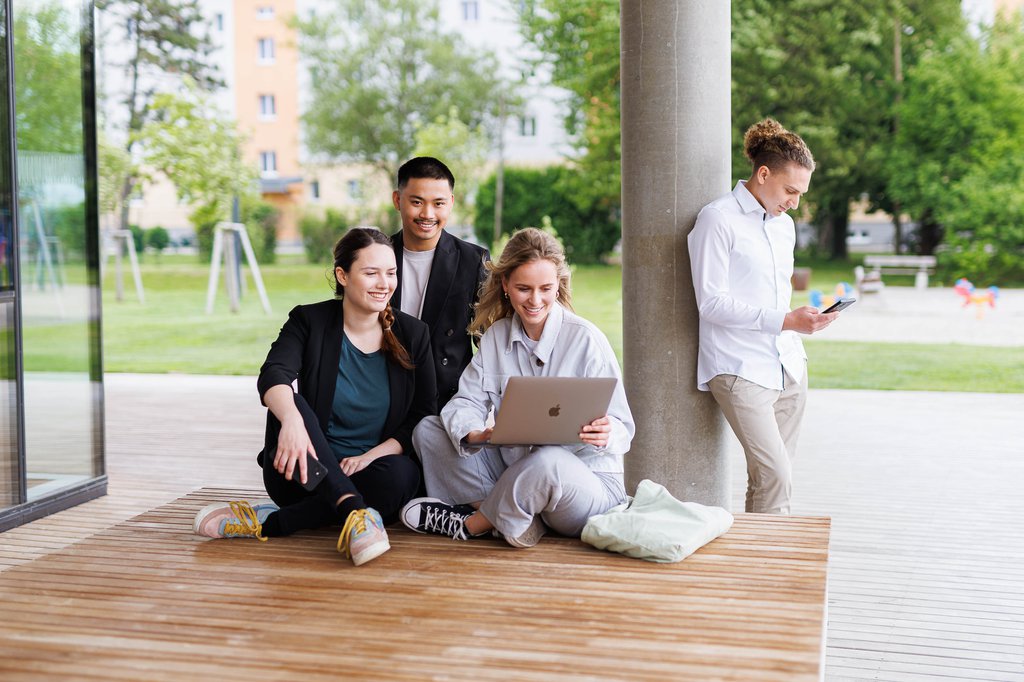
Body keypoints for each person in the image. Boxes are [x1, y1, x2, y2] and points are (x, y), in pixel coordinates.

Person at [193, 228, 437, 566]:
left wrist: (370, 457)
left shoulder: (414, 333)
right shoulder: (310, 320)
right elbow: (274, 374)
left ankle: (273, 522)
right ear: (343, 275)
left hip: (372, 474)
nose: (384, 283)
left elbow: (422, 414)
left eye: (391, 272)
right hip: (304, 470)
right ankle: (356, 512)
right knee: (291, 404)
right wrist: (292, 420)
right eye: (371, 273)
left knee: (402, 476)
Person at [400, 228, 634, 548]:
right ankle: (515, 517)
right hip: (516, 472)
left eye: (545, 289)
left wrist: (608, 431)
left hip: (584, 484)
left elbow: (624, 428)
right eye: (524, 289)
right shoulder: (496, 337)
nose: (535, 300)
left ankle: (475, 523)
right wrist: (474, 433)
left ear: (558, 285)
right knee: (429, 429)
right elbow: (464, 402)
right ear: (506, 285)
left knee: (548, 460)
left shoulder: (586, 339)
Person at [688, 118, 838, 515]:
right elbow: (711, 302)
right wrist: (787, 320)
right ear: (763, 173)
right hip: (738, 367)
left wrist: (800, 325)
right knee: (776, 476)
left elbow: (774, 293)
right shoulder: (717, 219)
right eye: (790, 190)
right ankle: (772, 564)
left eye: (801, 193)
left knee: (773, 477)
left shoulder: (784, 227)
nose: (795, 202)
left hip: (788, 365)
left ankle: (762, 562)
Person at [390, 156, 489, 407]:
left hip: (447, 399)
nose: (427, 214)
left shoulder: (473, 260)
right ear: (397, 200)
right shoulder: (376, 254)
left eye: (439, 203)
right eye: (417, 202)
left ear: (451, 203)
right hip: (383, 393)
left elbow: (489, 341)